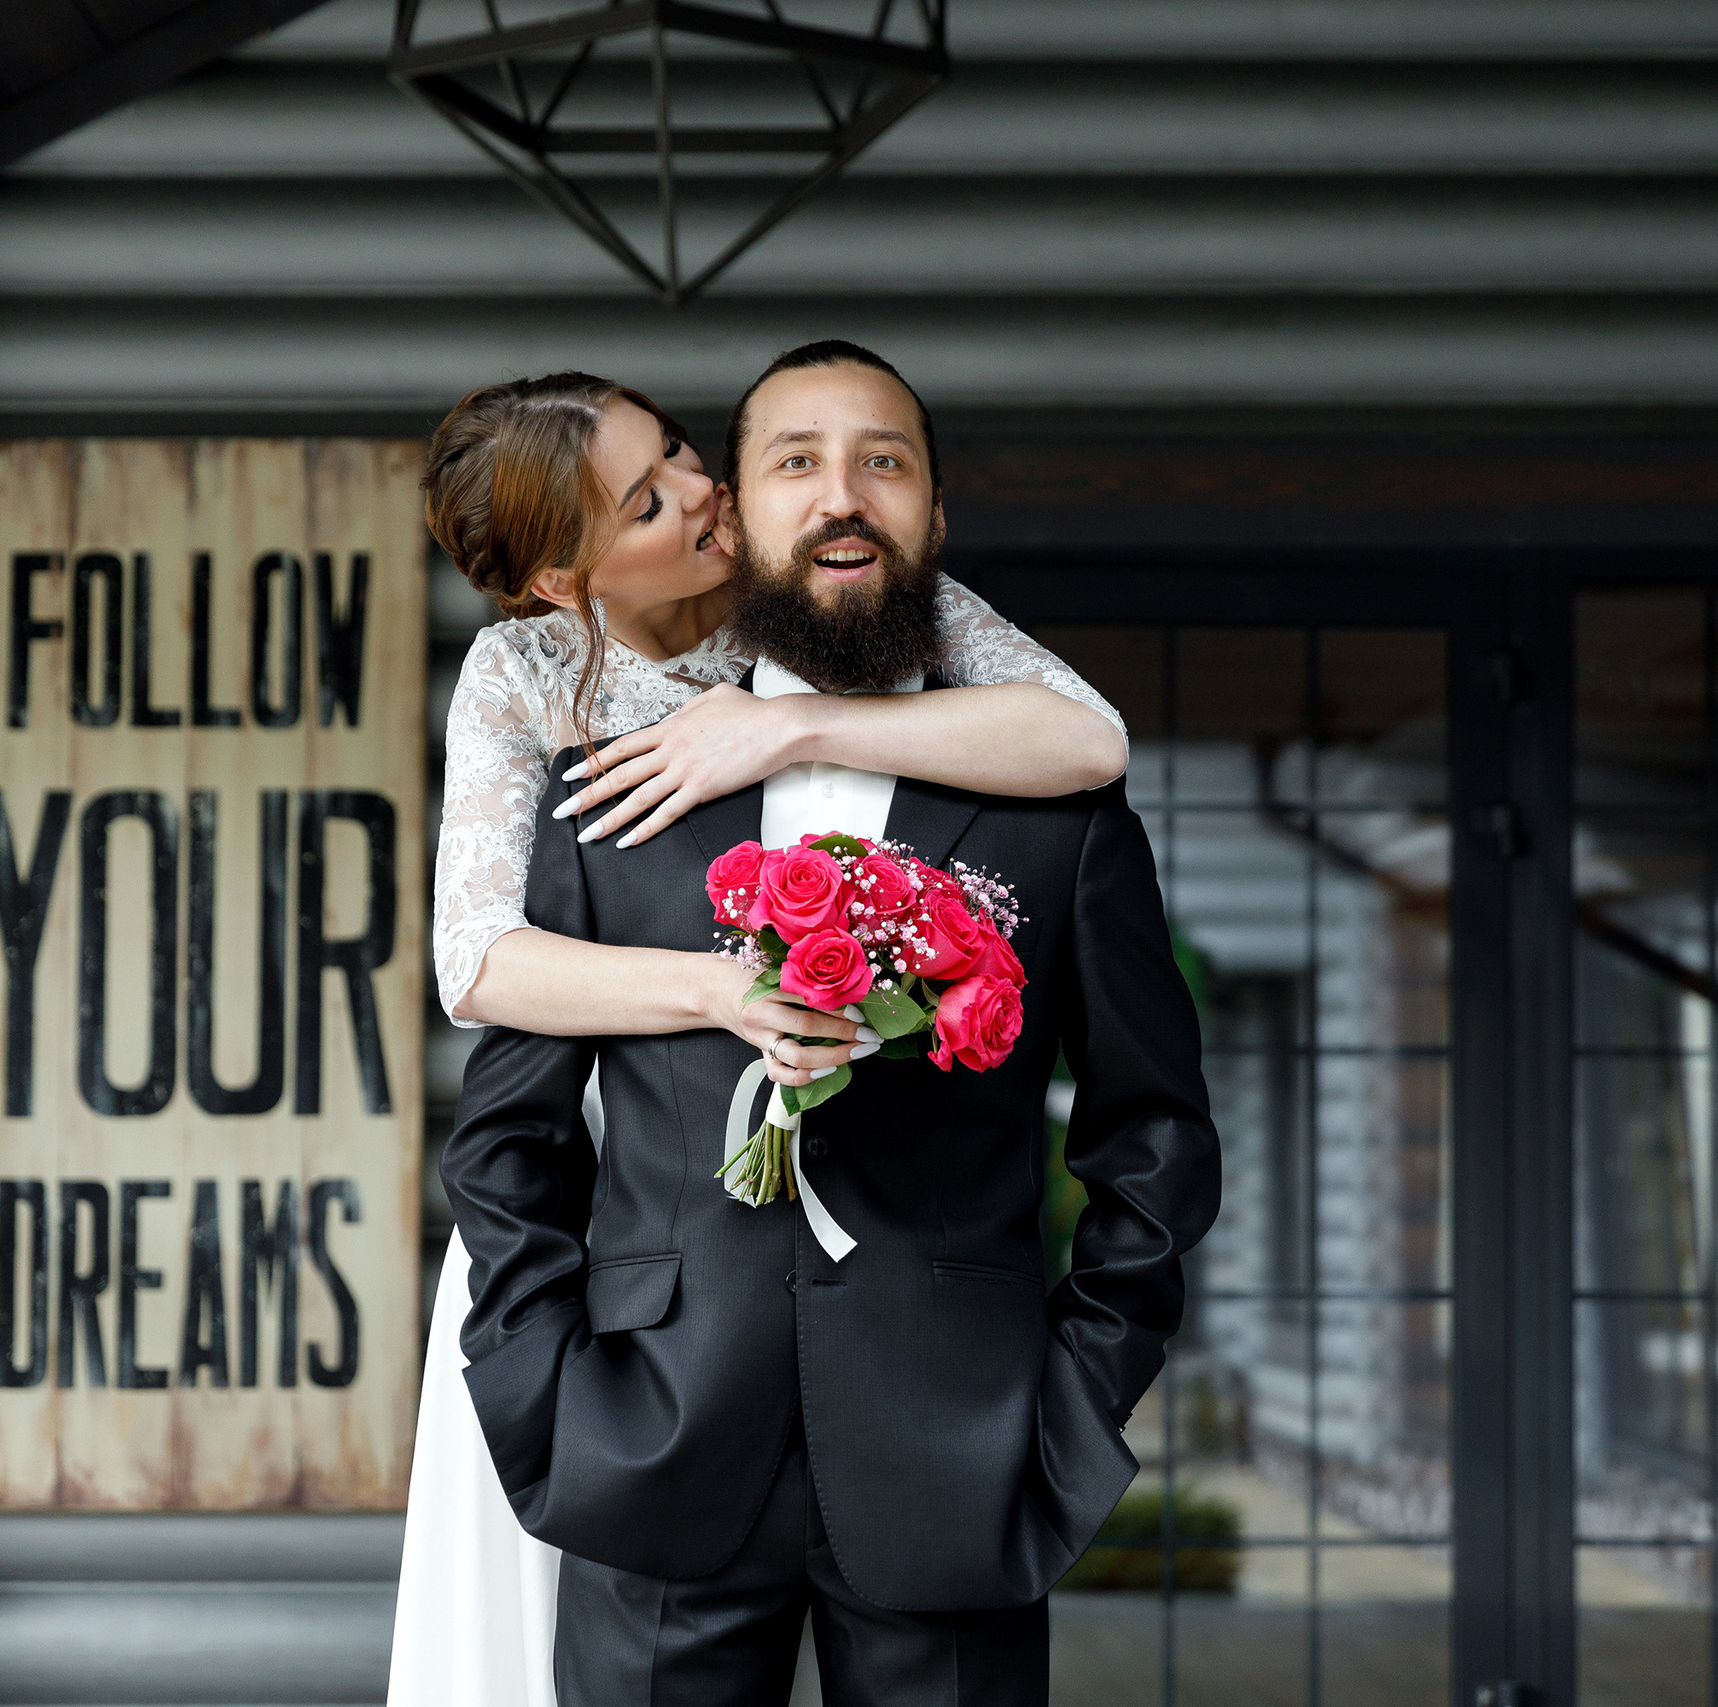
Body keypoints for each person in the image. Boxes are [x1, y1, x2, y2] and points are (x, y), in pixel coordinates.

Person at [443, 341, 1222, 1704]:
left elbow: (1151, 1133)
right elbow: (506, 1122)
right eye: (793, 462)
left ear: (936, 514)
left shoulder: (1059, 816)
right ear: (741, 522)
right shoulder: (593, 790)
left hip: (964, 1455)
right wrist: (545, 1376)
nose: (841, 494)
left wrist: (1075, 1396)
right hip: (648, 1445)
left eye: (885, 462)